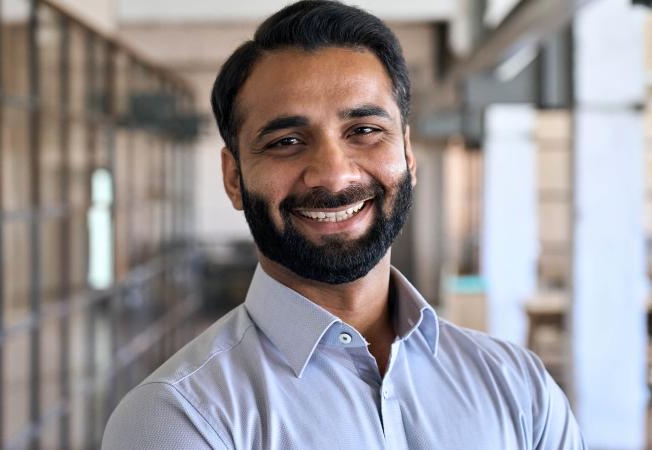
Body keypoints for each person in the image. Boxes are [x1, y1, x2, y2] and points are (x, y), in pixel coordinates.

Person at [102, 1, 587, 448]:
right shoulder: (177, 418)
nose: (333, 174)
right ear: (233, 177)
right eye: (287, 141)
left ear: (408, 154)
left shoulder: (520, 389)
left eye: (365, 132)